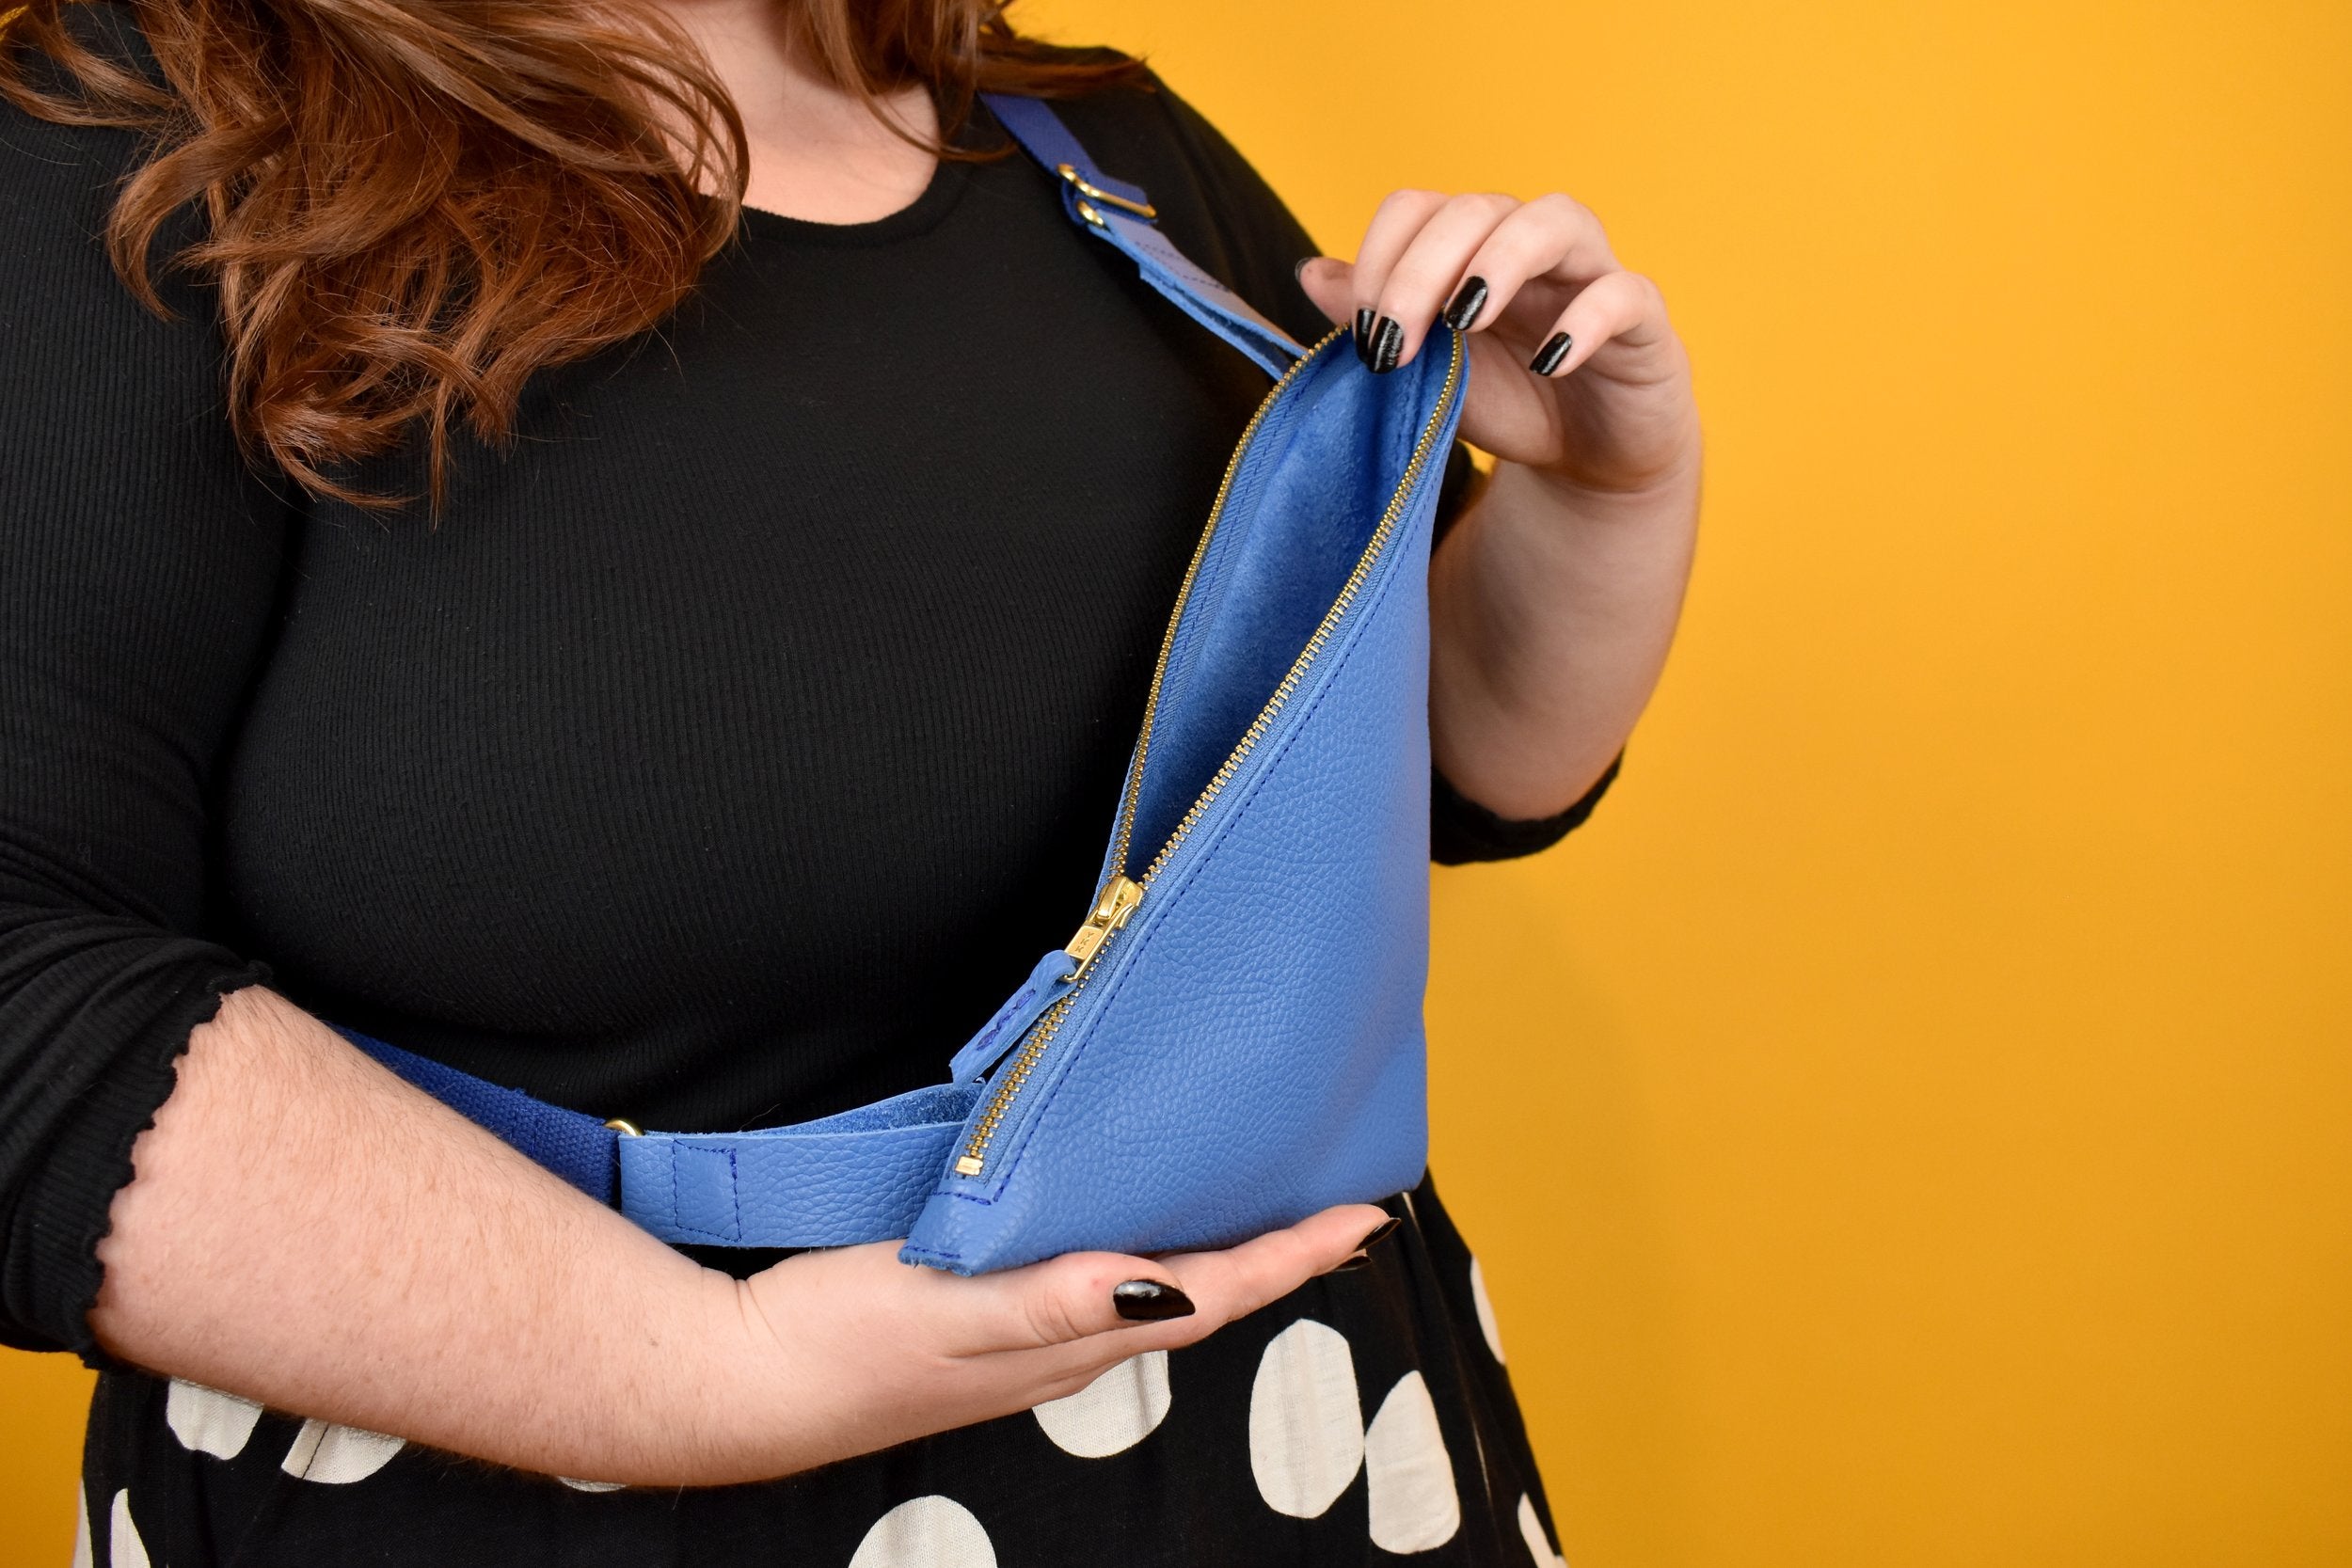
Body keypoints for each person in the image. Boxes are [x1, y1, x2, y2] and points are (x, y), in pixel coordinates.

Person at [0, 0, 1699, 1560]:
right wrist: (699, 1373)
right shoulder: (144, 140)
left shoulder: (1082, 135)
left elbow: (1442, 765)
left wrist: (1601, 493)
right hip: (540, 1504)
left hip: (1300, 1459)